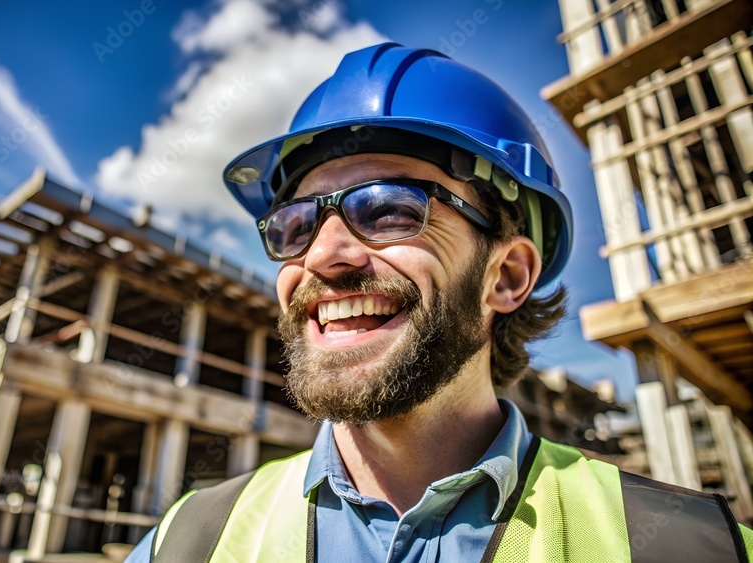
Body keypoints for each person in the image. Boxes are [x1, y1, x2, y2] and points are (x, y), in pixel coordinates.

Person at [126, 43, 753, 562]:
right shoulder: (189, 541)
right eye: (295, 226)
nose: (321, 256)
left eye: (391, 209)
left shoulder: (690, 548)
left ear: (506, 276)